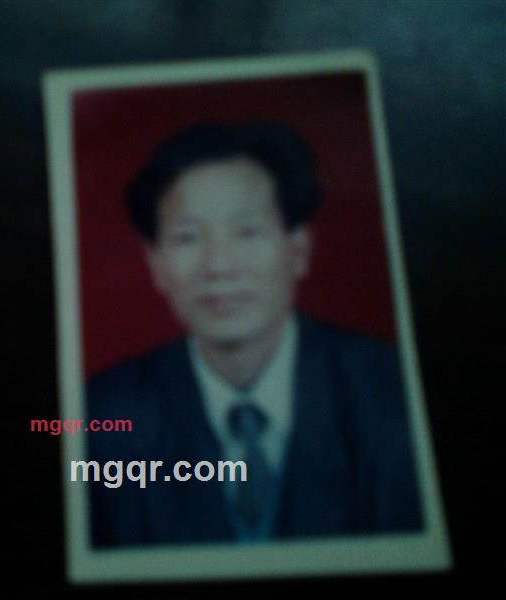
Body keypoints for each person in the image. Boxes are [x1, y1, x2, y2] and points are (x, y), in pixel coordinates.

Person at [86, 122, 423, 547]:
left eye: (246, 231)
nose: (219, 267)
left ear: (298, 249)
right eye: (188, 237)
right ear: (156, 264)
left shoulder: (397, 392)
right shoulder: (99, 417)